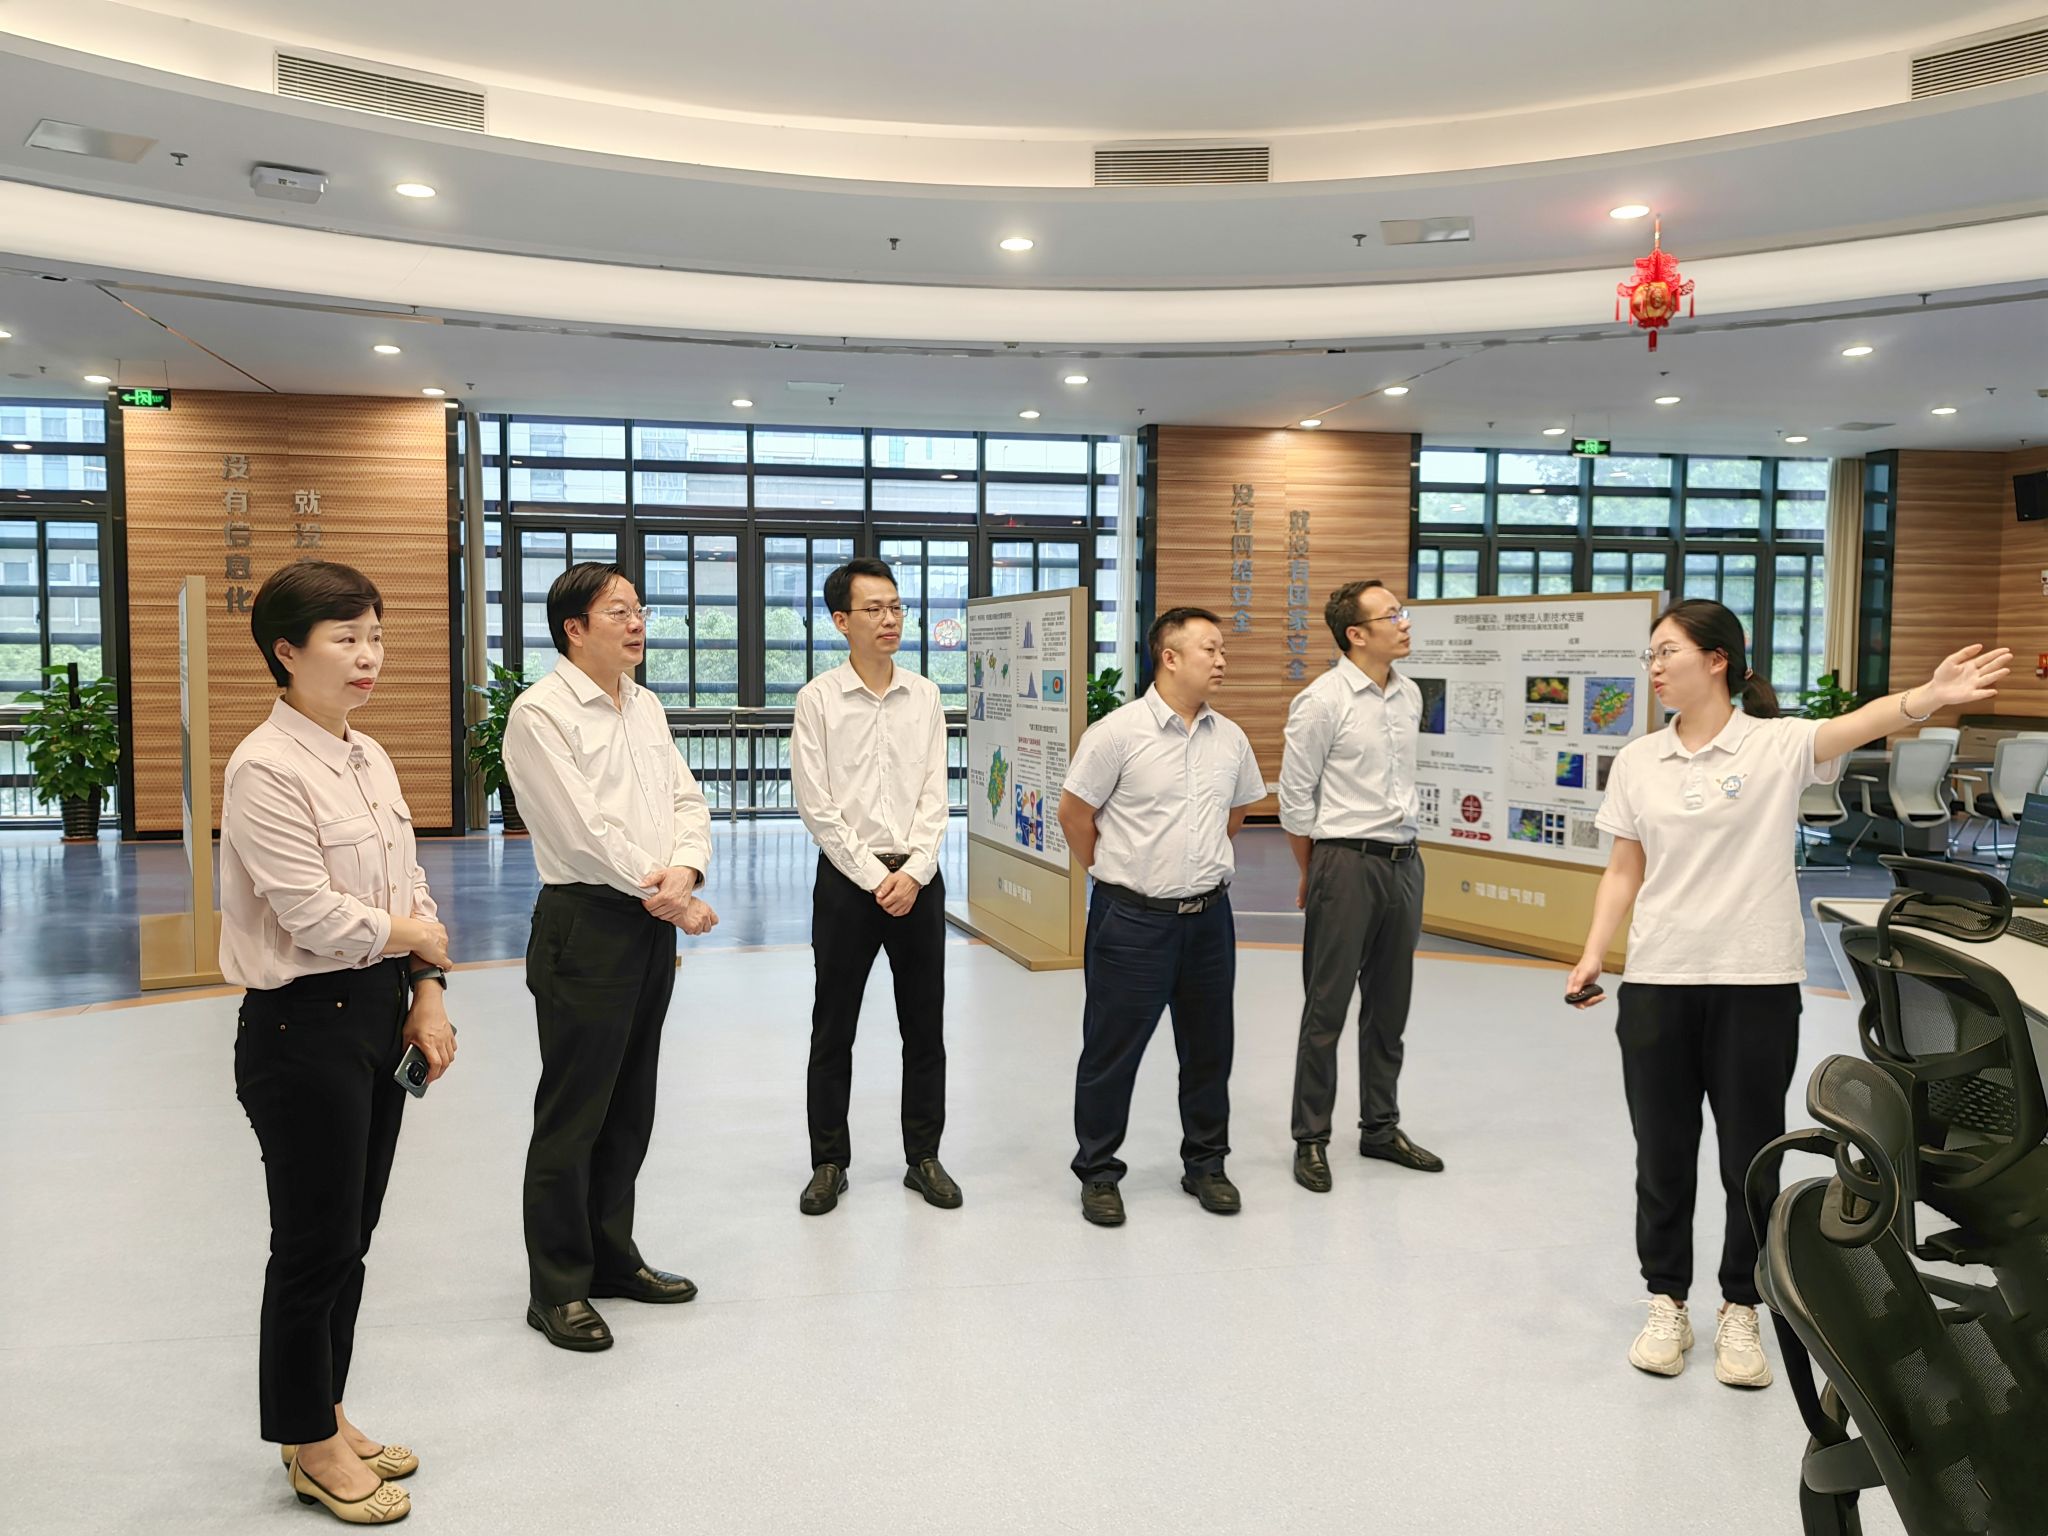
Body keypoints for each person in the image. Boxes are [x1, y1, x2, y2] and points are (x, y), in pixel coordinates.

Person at [1568, 598, 2008, 1387]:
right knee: (1661, 1155)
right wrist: (1594, 953)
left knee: (1750, 1157)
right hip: (1660, 982)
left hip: (1756, 983)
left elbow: (1859, 724)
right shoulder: (1639, 760)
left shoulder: (1775, 745)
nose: (1655, 666)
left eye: (1668, 651)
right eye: (1651, 654)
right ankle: (1666, 1300)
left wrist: (1929, 697)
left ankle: (1742, 1306)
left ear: (1717, 660)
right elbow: (1625, 868)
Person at [222, 560, 455, 1524]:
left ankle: (325, 1408)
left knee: (351, 1236)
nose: (369, 656)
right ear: (286, 651)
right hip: (300, 1029)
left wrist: (427, 993)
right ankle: (307, 1442)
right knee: (313, 1244)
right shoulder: (264, 768)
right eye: (346, 639)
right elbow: (313, 915)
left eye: (376, 636)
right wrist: (414, 938)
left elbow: (410, 884)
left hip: (376, 1010)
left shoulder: (369, 756)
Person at [502, 562, 718, 1353]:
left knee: (629, 1105)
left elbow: (686, 798)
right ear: (574, 629)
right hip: (587, 921)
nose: (636, 623)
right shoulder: (541, 714)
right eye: (618, 611)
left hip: (648, 919)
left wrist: (686, 870)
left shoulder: (644, 704)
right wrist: (671, 894)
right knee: (575, 1112)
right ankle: (557, 1286)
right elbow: (584, 831)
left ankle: (611, 1257)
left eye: (639, 609)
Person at [1058, 606, 1267, 1225]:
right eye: (1210, 649)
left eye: (1222, 649)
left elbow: (1236, 816)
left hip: (1209, 921)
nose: (1222, 660)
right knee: (1111, 1051)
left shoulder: (1230, 738)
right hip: (1132, 922)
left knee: (1209, 1050)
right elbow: (1074, 814)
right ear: (1169, 657)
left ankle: (1206, 1164)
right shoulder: (1117, 734)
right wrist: (1115, 873)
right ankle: (1099, 1171)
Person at [790, 557, 957, 1215]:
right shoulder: (818, 700)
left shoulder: (925, 695)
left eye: (895, 607)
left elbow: (937, 795)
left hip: (918, 882)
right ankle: (829, 1162)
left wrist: (913, 871)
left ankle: (924, 1157)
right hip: (847, 885)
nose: (890, 619)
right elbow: (816, 804)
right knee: (833, 1028)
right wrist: (874, 876)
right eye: (874, 609)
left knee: (924, 1027)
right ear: (841, 620)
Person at [1278, 580, 1441, 1193]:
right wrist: (1313, 871)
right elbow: (1295, 801)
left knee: (1390, 1006)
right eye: (1392, 615)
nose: (1404, 622)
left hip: (1405, 861)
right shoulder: (1321, 701)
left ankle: (1380, 1127)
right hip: (1344, 862)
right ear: (1356, 634)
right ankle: (1311, 1138)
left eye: (1402, 612)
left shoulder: (1409, 693)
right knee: (1326, 1009)